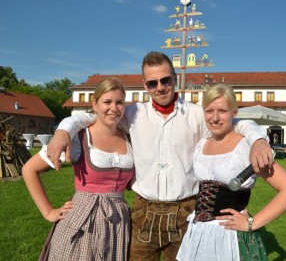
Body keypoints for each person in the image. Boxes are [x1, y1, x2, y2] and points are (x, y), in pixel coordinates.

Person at [46, 51, 274, 261]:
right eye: (152, 83)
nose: (160, 87)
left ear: (175, 79)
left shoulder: (196, 115)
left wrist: (258, 140)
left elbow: (235, 122)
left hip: (185, 211)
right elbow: (93, 117)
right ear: (145, 85)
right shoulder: (133, 113)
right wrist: (63, 131)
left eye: (166, 80)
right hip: (143, 211)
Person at [177, 84, 286, 261]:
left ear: (234, 113)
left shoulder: (246, 147)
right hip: (199, 233)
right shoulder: (202, 145)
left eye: (222, 110)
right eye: (209, 110)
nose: (215, 117)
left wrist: (252, 223)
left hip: (230, 235)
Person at [22, 78, 134, 260]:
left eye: (119, 102)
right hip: (82, 221)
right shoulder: (77, 138)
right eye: (107, 102)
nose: (113, 108)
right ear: (95, 105)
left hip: (118, 222)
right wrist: (48, 211)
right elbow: (29, 169)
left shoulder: (129, 138)